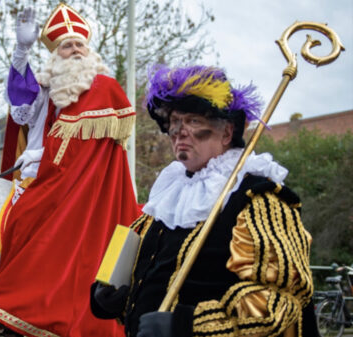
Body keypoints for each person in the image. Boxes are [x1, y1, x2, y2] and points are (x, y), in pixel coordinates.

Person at [90, 64, 318, 337]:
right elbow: (143, 274)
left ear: (226, 133)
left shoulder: (260, 199)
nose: (179, 132)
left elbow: (277, 302)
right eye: (175, 122)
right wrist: (112, 296)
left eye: (194, 121)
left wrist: (187, 325)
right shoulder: (167, 198)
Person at [0, 3, 140, 337]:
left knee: (27, 218)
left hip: (79, 184)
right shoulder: (46, 87)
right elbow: (21, 103)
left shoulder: (102, 88)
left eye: (80, 44)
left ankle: (23, 307)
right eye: (67, 45)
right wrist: (22, 50)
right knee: (16, 219)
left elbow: (92, 152)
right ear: (55, 55)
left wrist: (44, 156)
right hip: (34, 174)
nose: (76, 49)